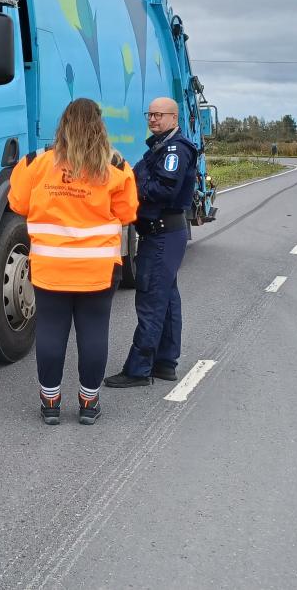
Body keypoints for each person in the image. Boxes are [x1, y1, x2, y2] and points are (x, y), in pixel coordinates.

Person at [8, 98, 139, 425]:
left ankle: (50, 404)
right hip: (99, 269)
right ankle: (88, 403)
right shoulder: (116, 168)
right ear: (100, 126)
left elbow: (17, 203)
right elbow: (128, 214)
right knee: (94, 334)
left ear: (62, 125)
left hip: (51, 268)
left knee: (51, 332)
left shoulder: (36, 163)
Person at [105, 97, 198, 388]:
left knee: (150, 301)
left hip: (162, 235)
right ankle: (165, 362)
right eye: (150, 114)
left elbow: (163, 189)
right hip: (161, 234)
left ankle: (138, 369)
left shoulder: (174, 150)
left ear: (174, 117)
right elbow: (137, 176)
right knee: (166, 300)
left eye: (159, 115)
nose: (153, 119)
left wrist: (133, 188)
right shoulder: (157, 148)